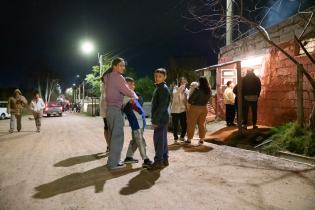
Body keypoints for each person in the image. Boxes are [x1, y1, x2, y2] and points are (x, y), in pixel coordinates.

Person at [104, 57, 138, 170]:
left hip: (109, 110)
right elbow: (127, 90)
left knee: (113, 136)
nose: (123, 68)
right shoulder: (118, 77)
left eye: (124, 66)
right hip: (115, 109)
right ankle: (113, 163)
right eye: (121, 65)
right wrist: (135, 96)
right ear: (114, 66)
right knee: (117, 137)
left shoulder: (108, 76)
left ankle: (114, 160)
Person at [122, 77, 153, 168]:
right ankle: (146, 159)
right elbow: (126, 108)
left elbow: (140, 105)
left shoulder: (134, 94)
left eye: (133, 84)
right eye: (129, 84)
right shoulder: (125, 96)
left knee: (135, 141)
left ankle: (128, 157)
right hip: (135, 123)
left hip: (141, 121)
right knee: (140, 141)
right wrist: (130, 103)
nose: (132, 85)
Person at [149, 68, 171, 170]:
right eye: (156, 76)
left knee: (158, 141)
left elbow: (161, 107)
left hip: (161, 119)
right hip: (163, 119)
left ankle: (158, 162)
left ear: (165, 77)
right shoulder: (160, 87)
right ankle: (165, 159)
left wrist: (155, 121)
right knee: (163, 140)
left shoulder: (162, 89)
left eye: (160, 76)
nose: (157, 78)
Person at [186, 77, 211, 145]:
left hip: (195, 107)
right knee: (201, 124)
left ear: (200, 82)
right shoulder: (209, 90)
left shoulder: (198, 89)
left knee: (191, 123)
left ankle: (189, 139)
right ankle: (202, 139)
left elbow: (190, 100)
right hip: (204, 108)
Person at [170, 77, 189, 143]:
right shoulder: (175, 88)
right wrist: (182, 87)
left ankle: (182, 137)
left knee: (184, 125)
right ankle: (175, 138)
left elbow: (188, 98)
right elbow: (175, 95)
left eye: (185, 82)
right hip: (175, 110)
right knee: (175, 125)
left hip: (183, 110)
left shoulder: (186, 90)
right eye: (182, 82)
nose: (184, 83)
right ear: (180, 82)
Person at [100, 69, 112, 154]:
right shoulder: (105, 85)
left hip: (109, 107)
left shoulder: (106, 83)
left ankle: (110, 146)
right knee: (108, 127)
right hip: (107, 108)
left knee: (108, 128)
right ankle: (109, 146)